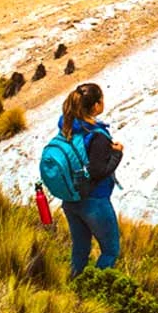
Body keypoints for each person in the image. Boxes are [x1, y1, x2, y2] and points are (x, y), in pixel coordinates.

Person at [59, 83, 123, 279]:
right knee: (110, 251)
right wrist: (116, 154)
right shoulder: (98, 136)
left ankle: (73, 288)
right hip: (95, 201)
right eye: (101, 100)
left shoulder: (68, 126)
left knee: (80, 249)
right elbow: (98, 171)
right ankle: (94, 289)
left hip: (71, 199)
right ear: (95, 106)